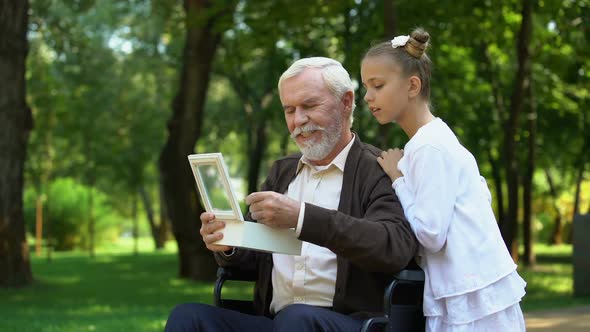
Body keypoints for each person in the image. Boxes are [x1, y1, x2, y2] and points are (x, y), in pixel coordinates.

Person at [164, 57, 418, 332]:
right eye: (289, 110)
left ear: (346, 102)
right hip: (278, 322)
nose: (298, 120)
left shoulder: (377, 168)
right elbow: (252, 261)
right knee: (188, 317)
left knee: (296, 318)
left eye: (309, 106)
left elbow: (394, 247)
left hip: (347, 322)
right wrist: (228, 243)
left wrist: (302, 217)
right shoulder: (282, 172)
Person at [360, 28, 527, 331]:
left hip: (470, 298)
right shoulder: (436, 140)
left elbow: (431, 235)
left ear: (412, 86)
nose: (368, 96)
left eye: (378, 85)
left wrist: (397, 178)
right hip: (469, 288)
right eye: (366, 87)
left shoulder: (429, 147)